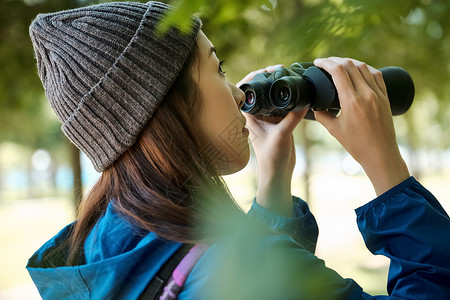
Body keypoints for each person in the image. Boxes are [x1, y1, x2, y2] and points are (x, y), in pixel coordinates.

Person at [26, 1, 450, 299]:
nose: (237, 94)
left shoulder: (103, 257)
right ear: (171, 104)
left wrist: (274, 180)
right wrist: (386, 167)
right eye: (217, 68)